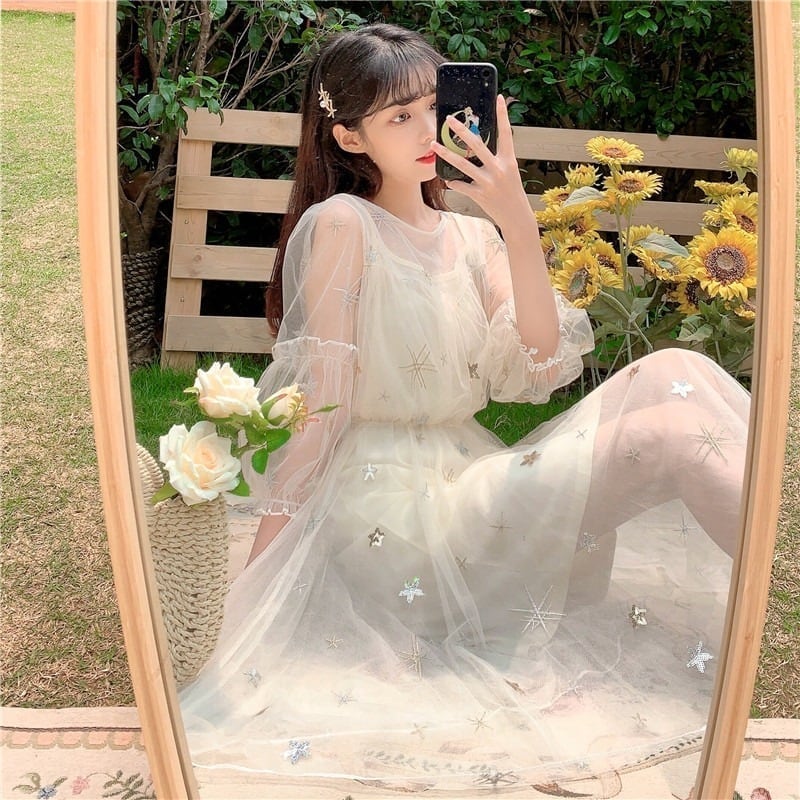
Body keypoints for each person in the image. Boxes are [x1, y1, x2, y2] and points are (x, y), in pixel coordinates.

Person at [179, 23, 750, 791]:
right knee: (676, 430)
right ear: (348, 136)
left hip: (466, 476)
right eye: (399, 117)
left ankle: (777, 561)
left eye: (435, 106)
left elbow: (537, 366)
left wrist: (515, 217)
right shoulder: (344, 224)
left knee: (676, 368)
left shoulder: (473, 238)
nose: (428, 131)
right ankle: (781, 583)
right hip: (393, 515)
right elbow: (322, 409)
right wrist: (259, 586)